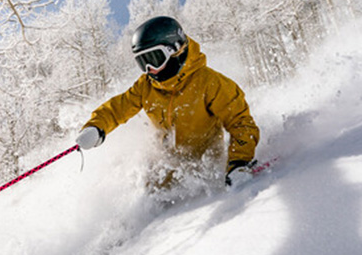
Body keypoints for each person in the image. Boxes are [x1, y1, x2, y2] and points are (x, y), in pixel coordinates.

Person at [76, 16, 260, 192]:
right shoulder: (146, 86)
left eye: (154, 58)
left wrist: (239, 163)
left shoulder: (210, 83)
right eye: (143, 62)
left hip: (205, 166)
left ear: (176, 49)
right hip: (167, 168)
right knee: (143, 194)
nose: (150, 69)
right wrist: (96, 126)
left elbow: (240, 122)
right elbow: (118, 108)